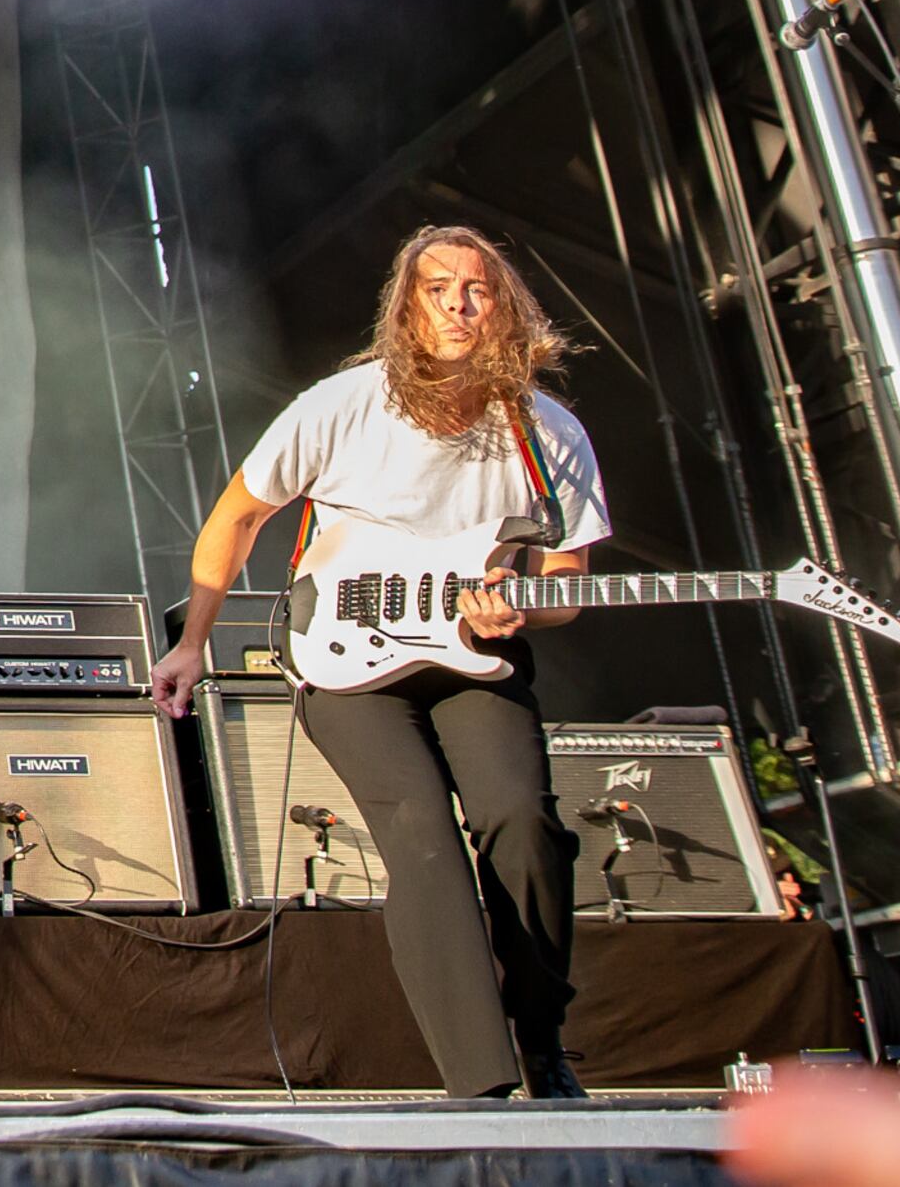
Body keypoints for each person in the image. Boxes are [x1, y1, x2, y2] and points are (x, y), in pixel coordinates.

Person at [150, 225, 605, 1099]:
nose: (460, 305)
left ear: (505, 308)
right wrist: (193, 640)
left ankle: (541, 1040)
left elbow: (569, 579)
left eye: (478, 290)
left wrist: (524, 607)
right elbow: (239, 516)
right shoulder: (341, 405)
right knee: (423, 835)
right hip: (344, 656)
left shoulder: (548, 432)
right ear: (407, 306)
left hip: (477, 653)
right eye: (439, 289)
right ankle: (485, 1086)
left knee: (525, 826)